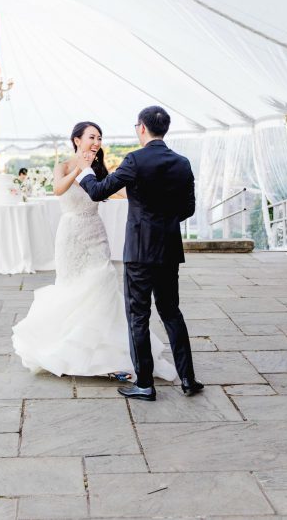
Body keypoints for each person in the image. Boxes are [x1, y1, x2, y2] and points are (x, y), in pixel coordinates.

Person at [12, 121, 177, 385]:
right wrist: (80, 167)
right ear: (77, 140)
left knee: (103, 284)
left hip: (96, 233)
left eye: (99, 137)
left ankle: (109, 356)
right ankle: (67, 350)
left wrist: (143, 192)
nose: (96, 142)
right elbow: (58, 189)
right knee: (71, 287)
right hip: (70, 234)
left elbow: (117, 189)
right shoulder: (63, 166)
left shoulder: (100, 169)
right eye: (92, 137)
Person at [75, 106, 200, 401]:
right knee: (171, 312)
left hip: (140, 252)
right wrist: (164, 221)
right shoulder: (182, 163)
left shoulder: (135, 160)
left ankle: (144, 383)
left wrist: (84, 172)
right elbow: (188, 209)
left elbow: (98, 190)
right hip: (169, 249)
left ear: (141, 128)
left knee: (138, 316)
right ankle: (188, 378)